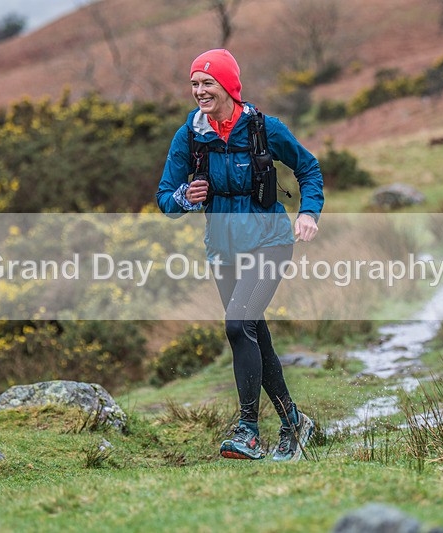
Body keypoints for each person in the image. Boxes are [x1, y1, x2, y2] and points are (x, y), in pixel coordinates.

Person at [156, 49, 324, 461]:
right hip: (223, 249)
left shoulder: (265, 129)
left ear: (229, 86)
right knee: (252, 333)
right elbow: (164, 199)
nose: (199, 91)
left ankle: (248, 429)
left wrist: (308, 212)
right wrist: (184, 196)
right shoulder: (190, 136)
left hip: (270, 241)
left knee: (237, 324)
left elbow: (309, 169)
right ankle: (293, 422)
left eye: (207, 83)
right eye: (194, 84)